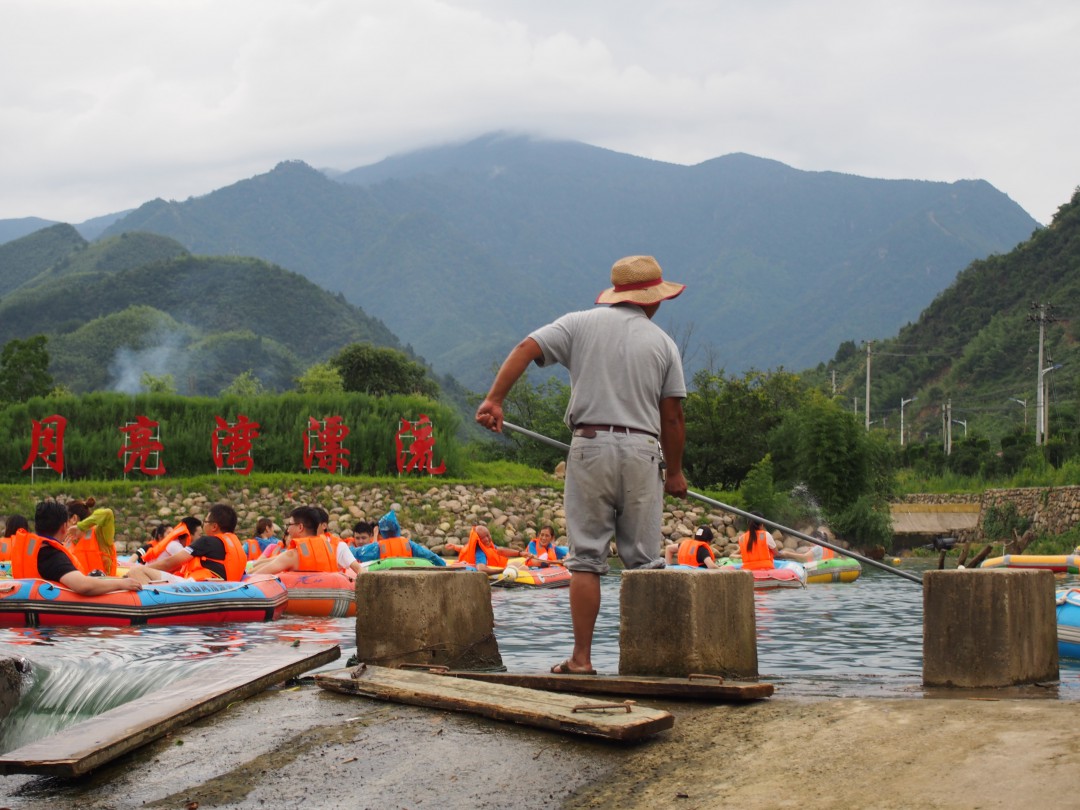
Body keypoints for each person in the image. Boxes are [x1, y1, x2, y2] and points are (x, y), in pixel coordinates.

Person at [476, 254, 688, 676]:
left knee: (586, 559)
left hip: (589, 446)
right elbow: (673, 418)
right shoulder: (663, 343)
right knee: (645, 563)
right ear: (653, 299)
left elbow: (526, 348)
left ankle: (581, 659)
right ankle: (652, 662)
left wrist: (495, 400)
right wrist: (676, 472)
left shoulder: (578, 324)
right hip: (642, 450)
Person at [9, 500, 142, 596]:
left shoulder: (36, 549)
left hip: (98, 580)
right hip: (82, 589)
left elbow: (107, 514)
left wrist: (81, 526)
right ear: (64, 527)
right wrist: (121, 584)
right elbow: (82, 585)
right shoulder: (53, 554)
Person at [132, 504, 246, 582]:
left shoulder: (206, 541)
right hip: (223, 588)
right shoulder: (238, 548)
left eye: (205, 521)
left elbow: (169, 563)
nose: (204, 524)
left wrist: (145, 569)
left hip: (197, 586)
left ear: (214, 526)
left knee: (137, 571)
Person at [250, 506, 361, 576]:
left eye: (290, 524)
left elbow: (255, 576)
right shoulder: (330, 549)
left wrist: (247, 573)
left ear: (300, 527)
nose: (288, 529)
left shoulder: (293, 555)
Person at [351, 511, 447, 567]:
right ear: (397, 528)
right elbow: (431, 556)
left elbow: (356, 552)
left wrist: (349, 547)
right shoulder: (409, 544)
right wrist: (443, 565)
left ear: (382, 531)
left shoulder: (378, 547)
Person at [65, 497, 119, 576]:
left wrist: (81, 526)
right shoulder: (67, 543)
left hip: (105, 583)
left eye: (64, 521)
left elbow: (108, 513)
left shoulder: (100, 535)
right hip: (78, 583)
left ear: (74, 519)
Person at [450, 525, 522, 573]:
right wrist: (502, 570)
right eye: (483, 538)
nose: (487, 539)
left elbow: (501, 551)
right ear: (478, 540)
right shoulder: (480, 553)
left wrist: (520, 553)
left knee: (518, 563)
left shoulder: (485, 545)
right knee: (523, 567)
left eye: (487, 535)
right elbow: (481, 569)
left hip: (497, 566)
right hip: (496, 570)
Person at [138, 517, 203, 565]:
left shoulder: (176, 543)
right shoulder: (174, 545)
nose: (201, 538)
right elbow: (190, 564)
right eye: (200, 535)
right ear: (189, 535)